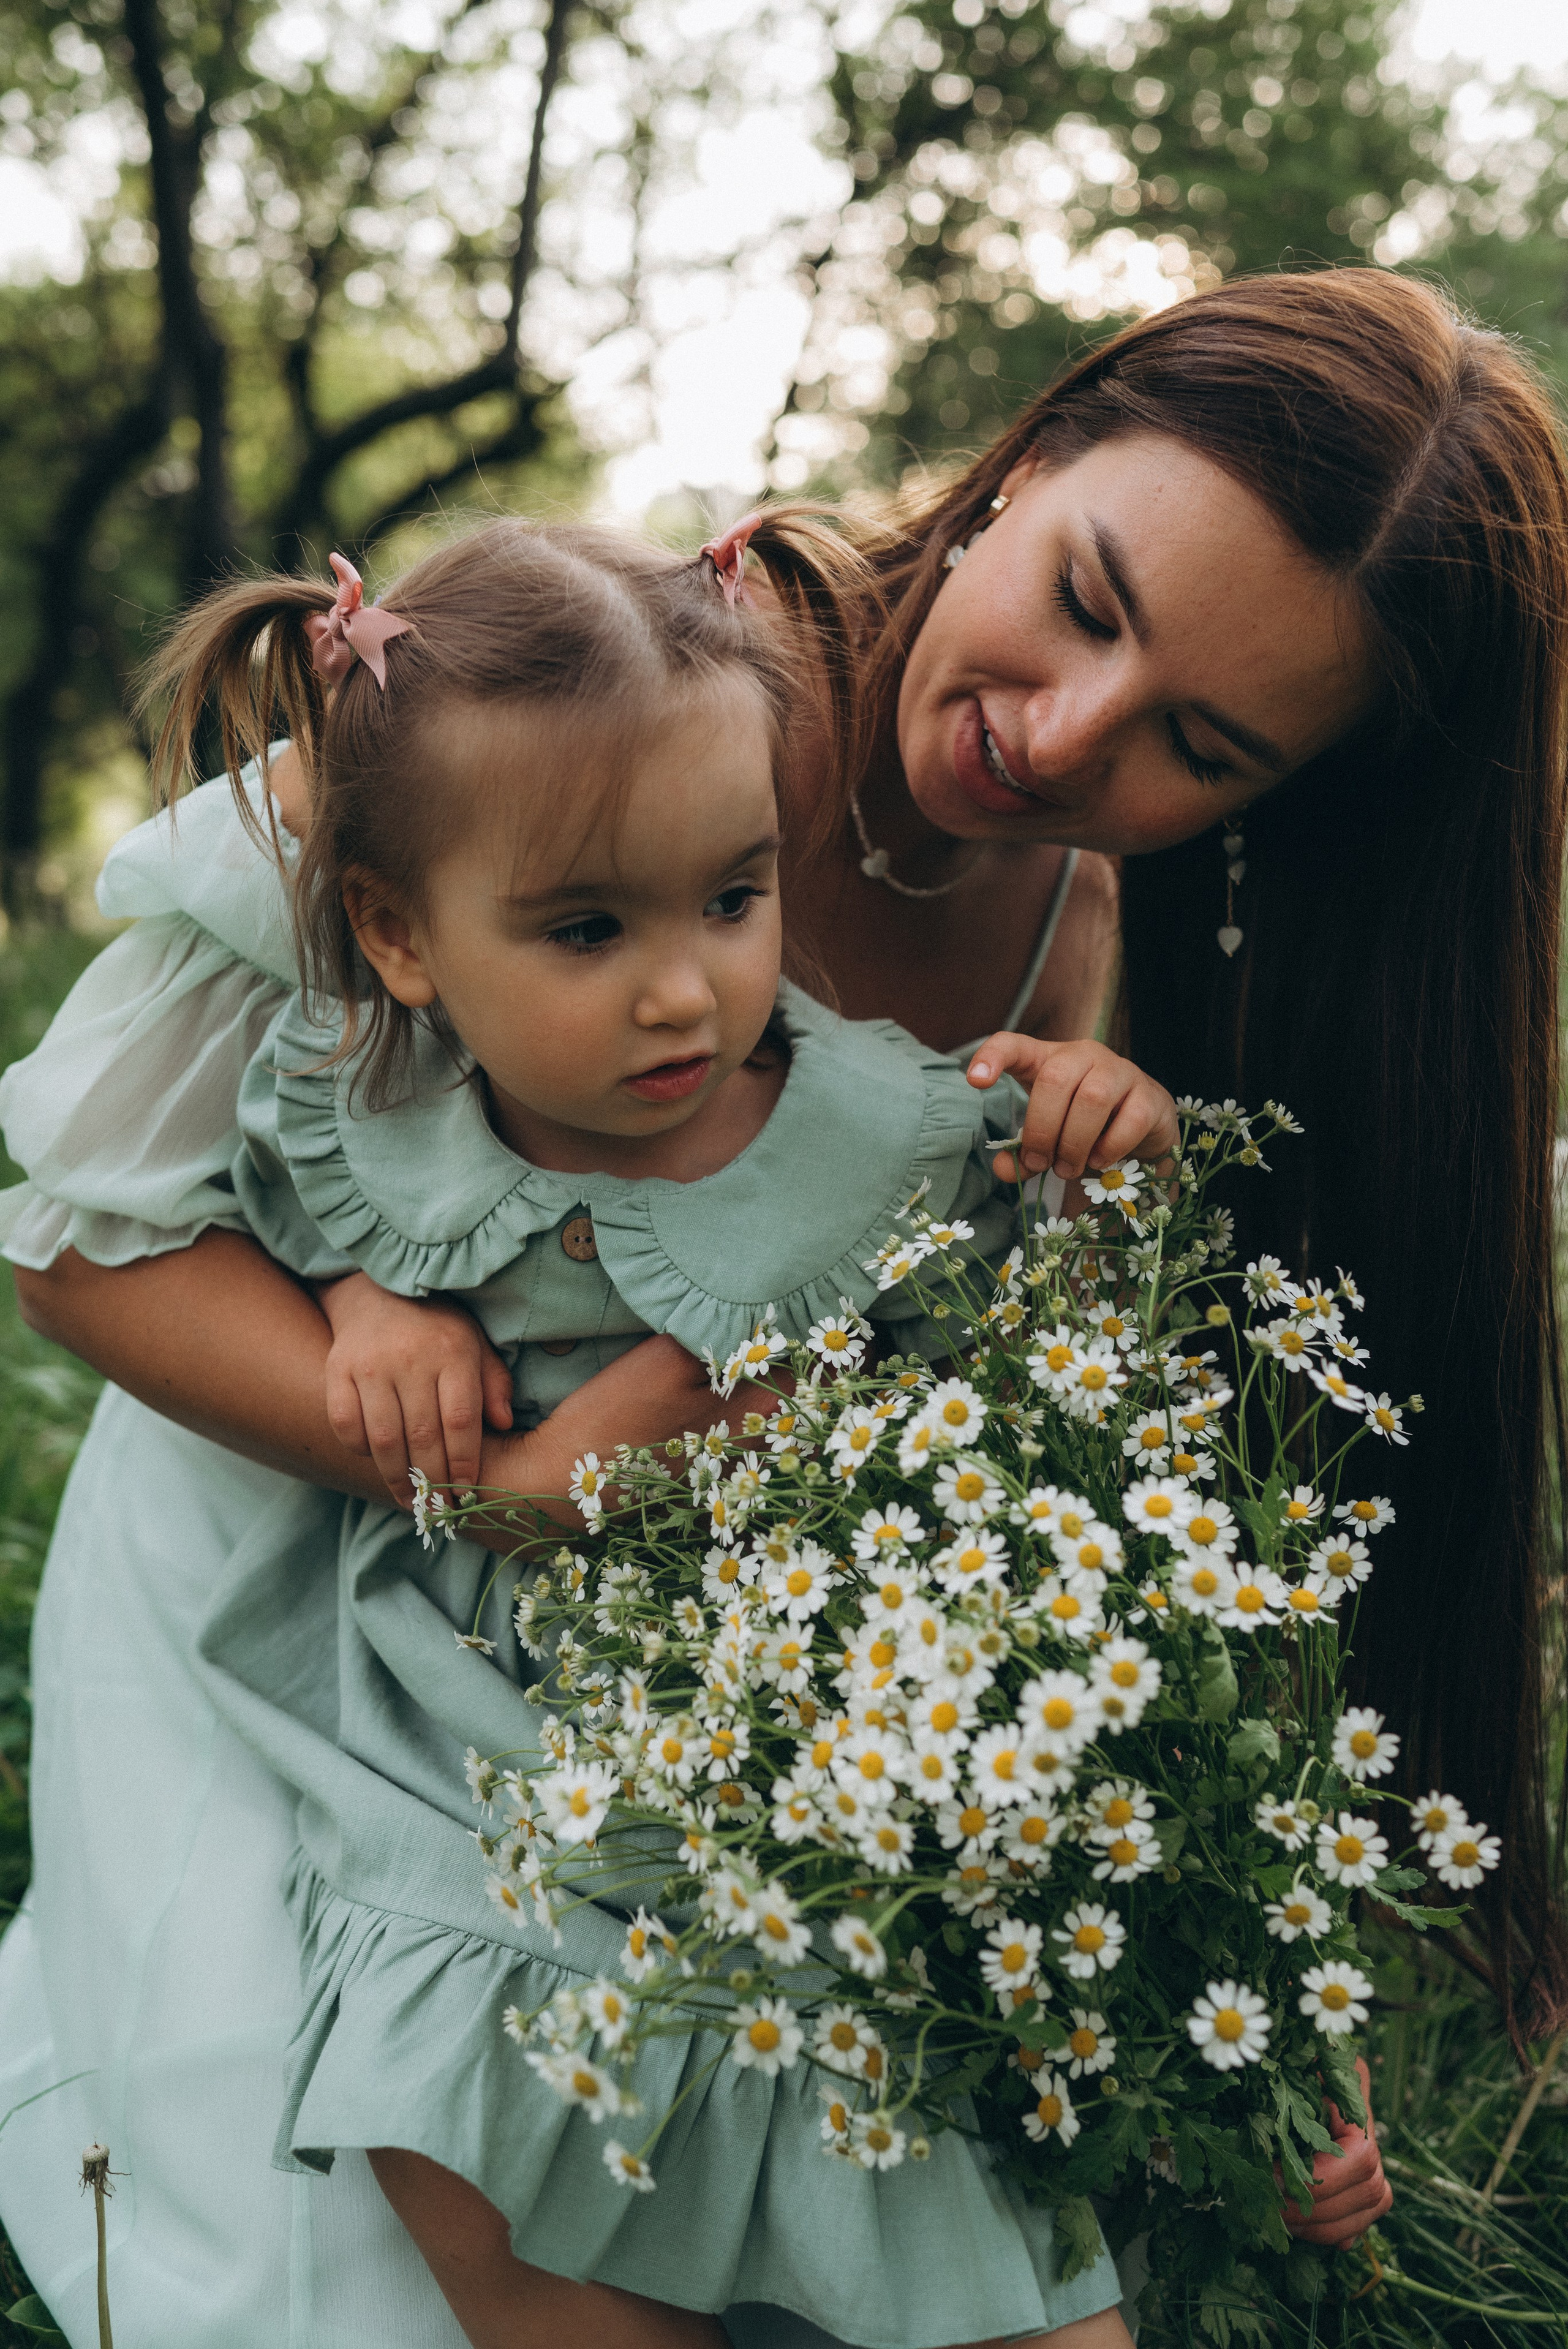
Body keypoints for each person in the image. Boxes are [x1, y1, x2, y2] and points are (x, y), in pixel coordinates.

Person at [26, 256, 1560, 2334]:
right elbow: (80, 1243)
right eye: (1087, 601)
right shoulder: (567, 699)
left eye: (1196, 742)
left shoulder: (1071, 957)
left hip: (676, 1671)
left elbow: (1031, 1469)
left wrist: (1245, 1943)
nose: (1061, 730)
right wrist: (503, 1463)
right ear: (1026, 460)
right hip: (305, 1540)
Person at [155, 513, 1191, 2349]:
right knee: (474, 2132)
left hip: (788, 1754)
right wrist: (369, 1305)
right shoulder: (368, 1101)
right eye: (587, 928)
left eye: (733, 898)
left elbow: (1038, 1380)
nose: (684, 987)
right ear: (399, 935)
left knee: (929, 2164)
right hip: (466, 1763)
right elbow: (260, 1211)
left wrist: (1109, 1164)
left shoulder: (889, 1133)